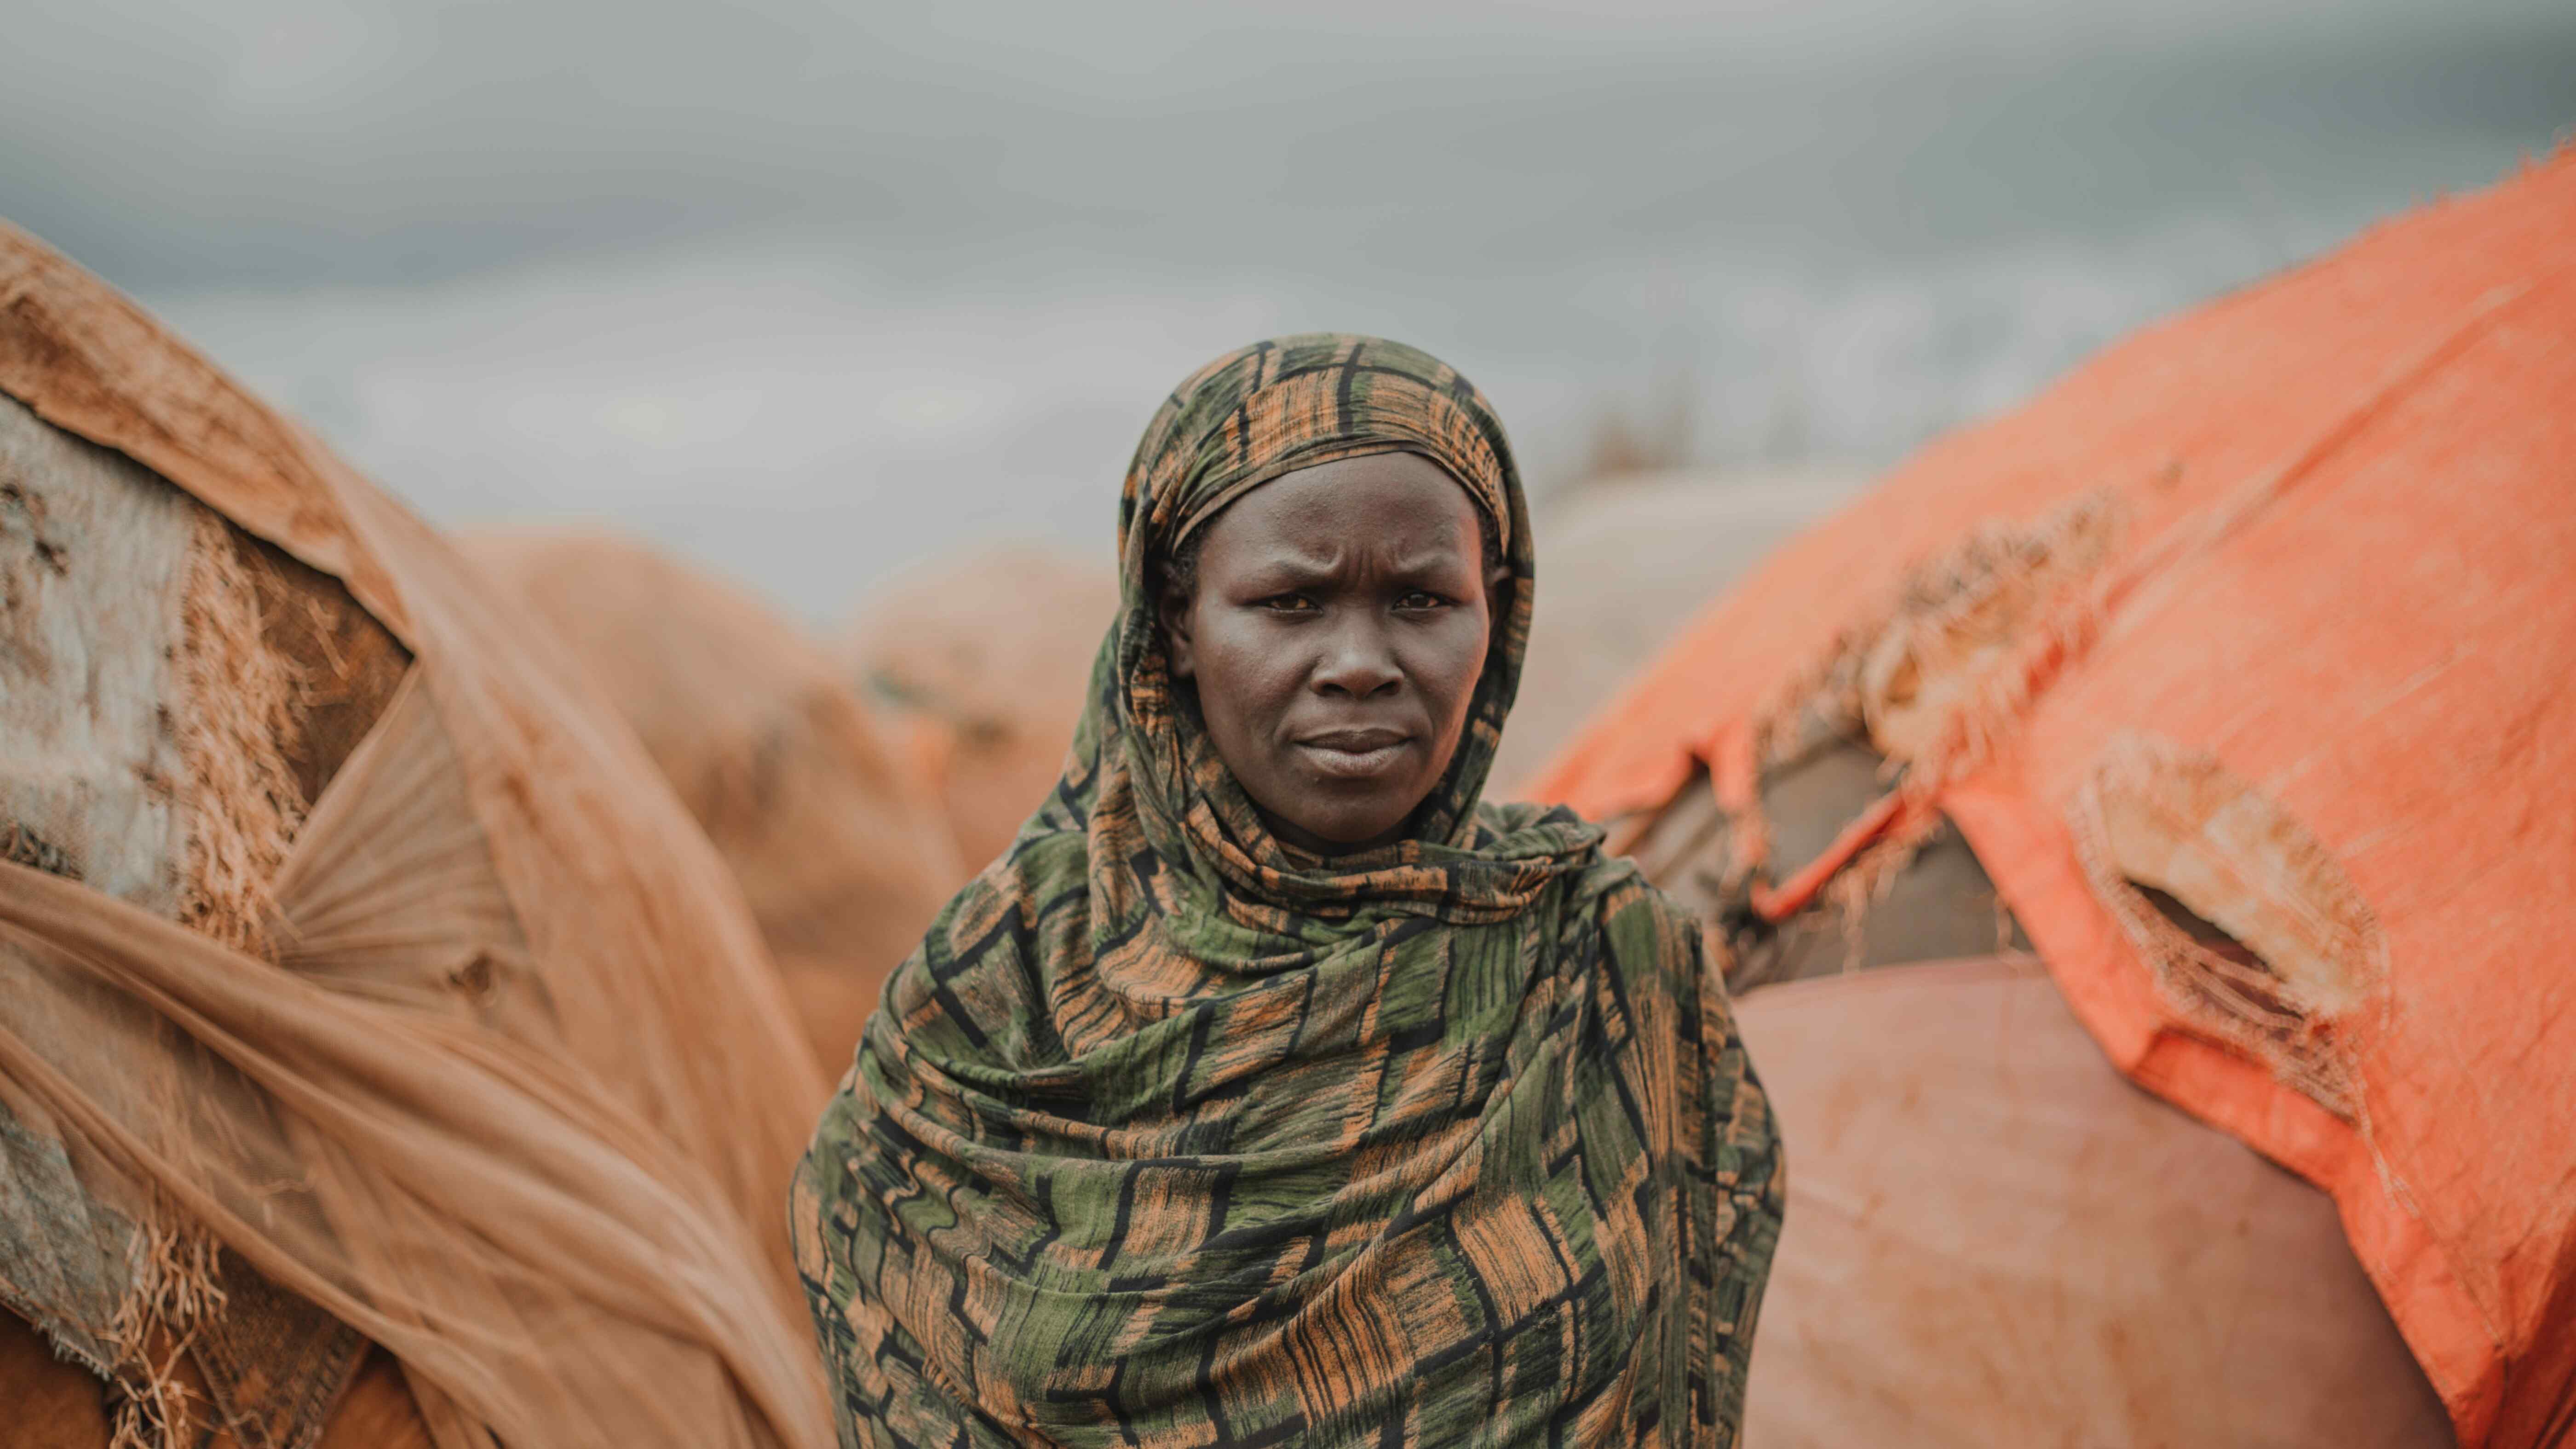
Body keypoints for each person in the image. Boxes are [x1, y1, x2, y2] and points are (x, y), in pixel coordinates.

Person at [790, 334, 1783, 1447]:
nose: (1359, 660)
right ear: (1175, 624)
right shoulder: (993, 1001)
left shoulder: (1597, 958)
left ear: (1493, 615)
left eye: (1420, 601)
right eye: (1289, 604)